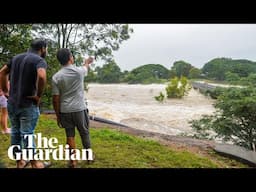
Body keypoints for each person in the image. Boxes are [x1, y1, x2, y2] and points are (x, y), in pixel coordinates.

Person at [0, 38, 50, 168]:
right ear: (43, 48)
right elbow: (42, 76)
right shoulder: (39, 60)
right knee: (27, 134)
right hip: (27, 104)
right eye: (47, 49)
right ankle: (35, 163)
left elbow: (2, 72)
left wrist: (5, 90)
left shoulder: (16, 58)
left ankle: (20, 162)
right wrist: (38, 95)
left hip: (12, 103)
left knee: (16, 132)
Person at [52, 48, 93, 168]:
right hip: (80, 109)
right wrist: (87, 62)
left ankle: (73, 162)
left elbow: (55, 98)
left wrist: (58, 115)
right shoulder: (79, 72)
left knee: (70, 135)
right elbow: (86, 67)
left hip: (65, 110)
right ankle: (88, 157)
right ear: (70, 58)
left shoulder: (56, 77)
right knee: (84, 133)